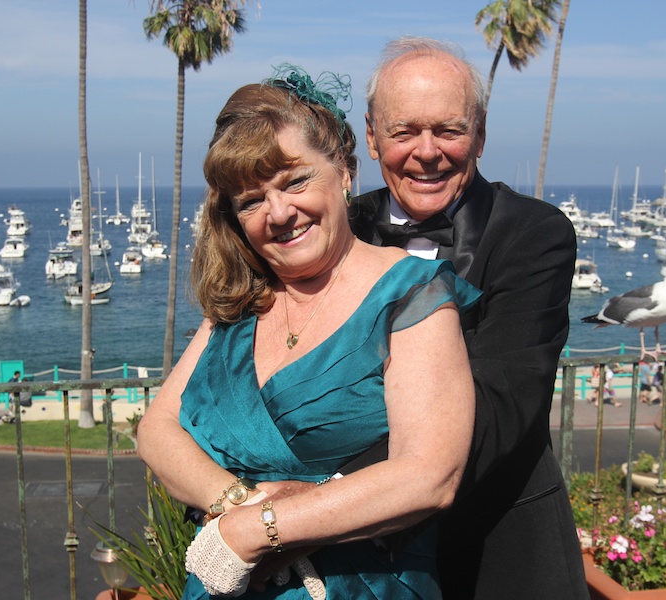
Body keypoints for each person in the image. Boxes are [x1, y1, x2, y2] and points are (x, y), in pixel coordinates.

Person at [136, 65, 481, 598]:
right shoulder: (241, 302)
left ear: (343, 170)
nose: (278, 212)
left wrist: (259, 530)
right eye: (251, 200)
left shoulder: (413, 295)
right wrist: (236, 506)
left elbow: (428, 475)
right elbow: (157, 430)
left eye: (295, 181)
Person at [348, 37, 589, 599]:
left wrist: (326, 491)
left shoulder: (534, 234)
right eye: (404, 130)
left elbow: (503, 405)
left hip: (499, 555)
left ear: (479, 134)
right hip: (351, 568)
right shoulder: (338, 228)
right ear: (371, 135)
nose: (426, 152)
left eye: (449, 130)